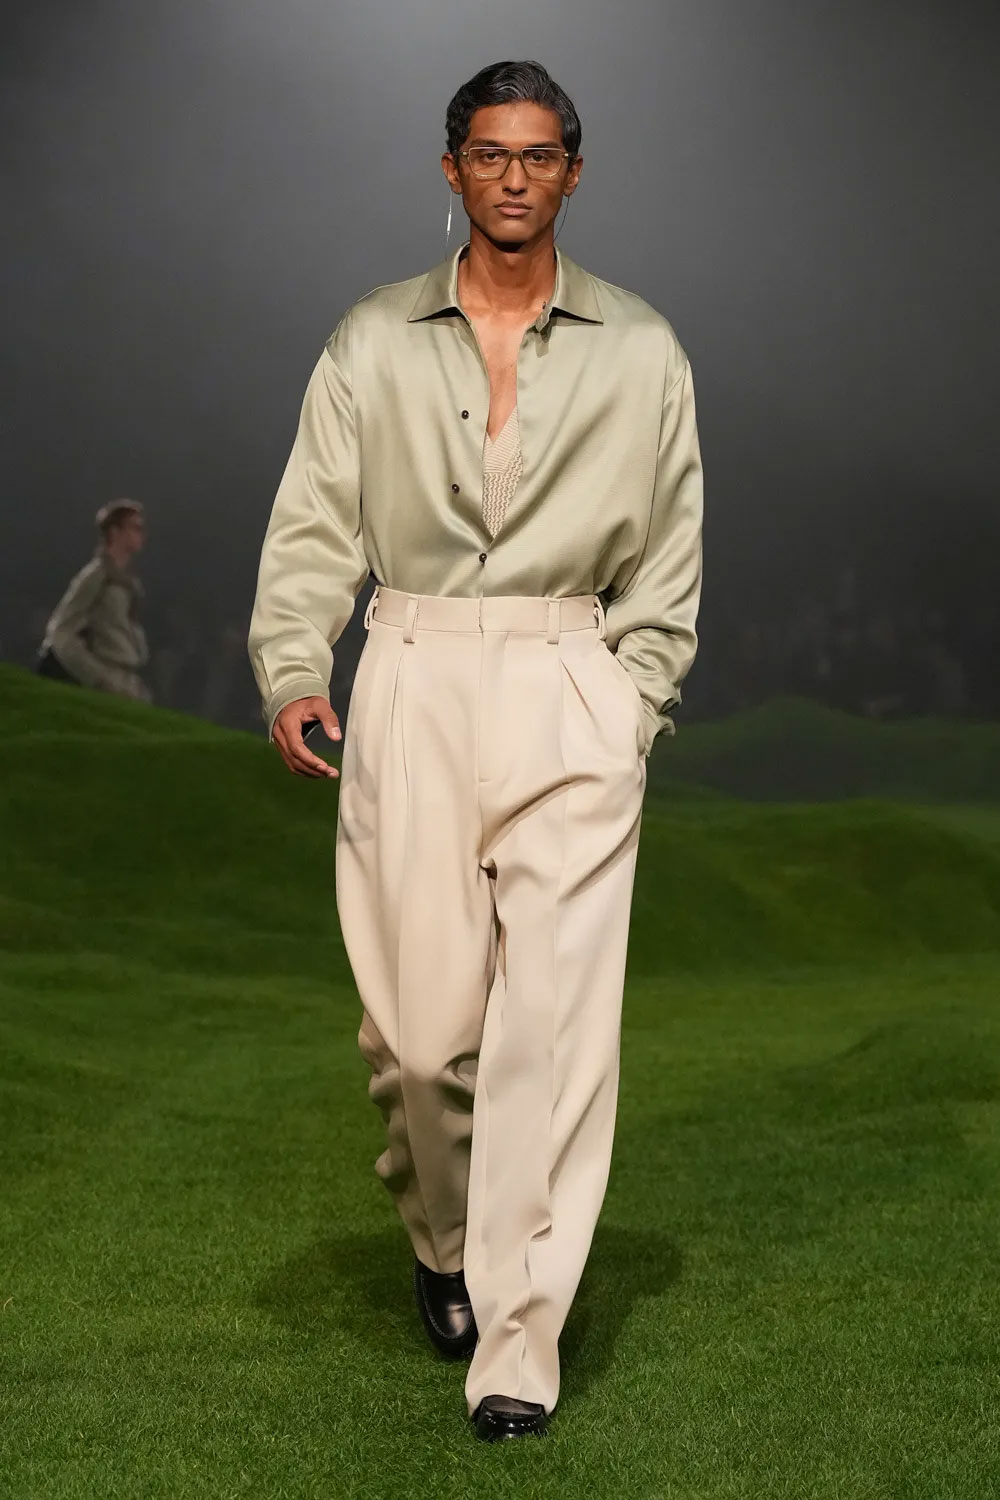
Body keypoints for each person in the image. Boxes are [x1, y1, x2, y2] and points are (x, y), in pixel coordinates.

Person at [248, 59, 704, 1441]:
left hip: (572, 677)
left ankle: (518, 1337)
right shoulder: (371, 339)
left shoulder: (642, 348)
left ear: (573, 171)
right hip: (414, 669)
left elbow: (669, 555)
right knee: (420, 1041)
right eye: (490, 154)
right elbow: (315, 522)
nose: (515, 176)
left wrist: (628, 705)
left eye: (539, 154)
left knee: (549, 1037)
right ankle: (444, 1243)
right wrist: (293, 666)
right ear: (451, 170)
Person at [37, 499, 151, 700]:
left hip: (125, 677)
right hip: (104, 674)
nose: (141, 534)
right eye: (134, 527)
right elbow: (62, 631)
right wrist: (96, 676)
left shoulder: (128, 584)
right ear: (115, 531)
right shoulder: (96, 576)